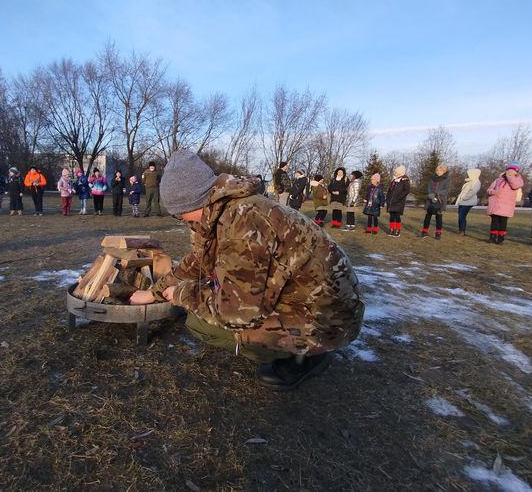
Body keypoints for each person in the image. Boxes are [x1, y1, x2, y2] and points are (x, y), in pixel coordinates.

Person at [130, 150, 364, 391]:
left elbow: (237, 314)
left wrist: (182, 294)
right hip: (312, 301)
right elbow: (198, 262)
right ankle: (300, 348)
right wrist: (154, 293)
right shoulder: (226, 210)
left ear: (192, 201)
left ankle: (307, 356)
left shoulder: (243, 223)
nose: (182, 219)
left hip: (329, 319)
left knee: (201, 325)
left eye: (179, 214)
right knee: (206, 306)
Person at [487, 164, 525, 244]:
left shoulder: (517, 180)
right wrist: (491, 191)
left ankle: (501, 238)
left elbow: (516, 185)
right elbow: (490, 188)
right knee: (494, 221)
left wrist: (510, 177)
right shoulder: (498, 180)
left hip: (506, 205)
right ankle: (493, 237)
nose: (509, 172)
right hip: (495, 203)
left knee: (503, 222)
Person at [419, 164, 450, 240]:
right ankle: (424, 231)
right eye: (437, 170)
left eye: (441, 170)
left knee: (439, 216)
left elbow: (446, 190)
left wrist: (437, 193)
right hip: (431, 199)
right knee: (428, 215)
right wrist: (431, 194)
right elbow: (429, 188)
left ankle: (438, 233)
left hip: (440, 199)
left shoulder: (447, 179)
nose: (439, 172)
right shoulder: (432, 178)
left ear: (444, 171)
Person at [454, 168, 481, 236]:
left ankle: (462, 231)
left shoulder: (476, 182)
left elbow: (472, 192)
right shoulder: (469, 182)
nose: (468, 175)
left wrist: (464, 198)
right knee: (460, 216)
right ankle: (460, 230)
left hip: (468, 201)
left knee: (462, 216)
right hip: (462, 201)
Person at [385, 165, 410, 237]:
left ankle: (397, 230)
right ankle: (391, 229)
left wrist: (399, 197)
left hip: (399, 202)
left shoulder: (404, 181)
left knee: (397, 216)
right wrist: (388, 198)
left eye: (397, 172)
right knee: (391, 216)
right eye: (395, 172)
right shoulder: (393, 181)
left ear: (401, 173)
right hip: (391, 202)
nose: (395, 173)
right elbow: (389, 190)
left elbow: (407, 190)